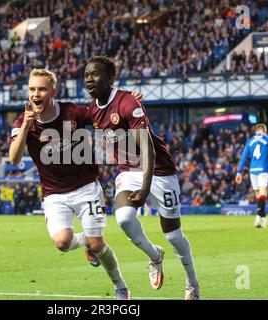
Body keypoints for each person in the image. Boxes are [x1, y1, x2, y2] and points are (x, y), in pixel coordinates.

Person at [83, 55, 200, 300]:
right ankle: (154, 255)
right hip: (129, 171)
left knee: (174, 236)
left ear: (110, 79)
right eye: (86, 75)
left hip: (159, 170)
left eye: (95, 74)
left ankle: (192, 284)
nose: (89, 79)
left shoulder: (127, 103)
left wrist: (146, 188)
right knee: (124, 218)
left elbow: (149, 150)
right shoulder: (93, 110)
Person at [9, 68, 130, 300]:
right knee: (62, 242)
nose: (36, 93)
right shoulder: (21, 122)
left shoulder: (71, 111)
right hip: (54, 193)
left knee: (98, 245)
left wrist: (126, 102)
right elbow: (14, 159)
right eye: (32, 89)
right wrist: (25, 126)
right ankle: (83, 240)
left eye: (42, 89)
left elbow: (101, 115)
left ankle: (120, 287)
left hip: (86, 187)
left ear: (53, 91)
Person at [235, 123, 268, 228]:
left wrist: (239, 172)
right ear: (265, 131)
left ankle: (264, 220)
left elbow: (243, 158)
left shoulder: (250, 141)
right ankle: (258, 218)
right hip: (263, 169)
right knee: (263, 193)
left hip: (253, 170)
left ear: (256, 131)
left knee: (258, 195)